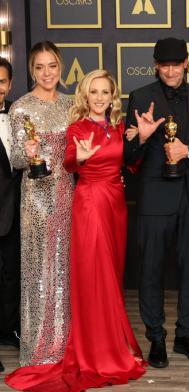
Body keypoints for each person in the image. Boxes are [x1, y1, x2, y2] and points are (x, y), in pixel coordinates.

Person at [6, 69, 146, 391]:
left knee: (112, 274)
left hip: (116, 206)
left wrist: (142, 138)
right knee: (96, 278)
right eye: (93, 92)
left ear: (113, 97)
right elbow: (68, 161)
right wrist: (80, 158)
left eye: (104, 92)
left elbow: (131, 164)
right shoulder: (78, 127)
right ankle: (98, 350)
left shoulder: (118, 127)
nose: (99, 98)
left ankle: (112, 342)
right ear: (85, 96)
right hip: (89, 204)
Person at [124, 37, 189, 368]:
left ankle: (186, 336)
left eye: (175, 64)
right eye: (163, 65)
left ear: (186, 62)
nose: (169, 70)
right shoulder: (140, 98)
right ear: (156, 65)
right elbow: (127, 157)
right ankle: (156, 338)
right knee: (150, 271)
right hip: (154, 198)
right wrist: (140, 137)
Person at [7, 41, 73, 367]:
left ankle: (66, 343)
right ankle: (39, 347)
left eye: (52, 66)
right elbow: (17, 160)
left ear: (60, 67)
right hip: (35, 197)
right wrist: (28, 151)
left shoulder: (72, 105)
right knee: (38, 271)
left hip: (67, 192)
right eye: (39, 67)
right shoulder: (20, 107)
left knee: (65, 269)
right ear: (32, 70)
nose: (47, 73)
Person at [0, 57, 22, 373]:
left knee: (11, 276)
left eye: (2, 81)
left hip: (16, 212)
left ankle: (7, 329)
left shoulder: (19, 114)